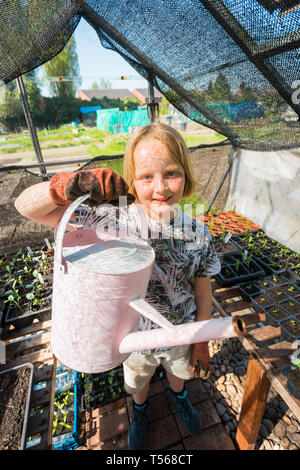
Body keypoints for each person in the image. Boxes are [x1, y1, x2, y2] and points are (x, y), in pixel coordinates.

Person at [14, 122, 221, 450]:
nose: (161, 188)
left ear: (186, 173)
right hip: (133, 336)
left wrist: (201, 342)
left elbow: (202, 289)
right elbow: (26, 207)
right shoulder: (118, 221)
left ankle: (178, 396)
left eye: (171, 173)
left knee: (178, 373)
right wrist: (63, 186)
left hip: (180, 330)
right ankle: (139, 410)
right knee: (136, 382)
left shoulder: (197, 233)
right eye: (146, 177)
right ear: (132, 181)